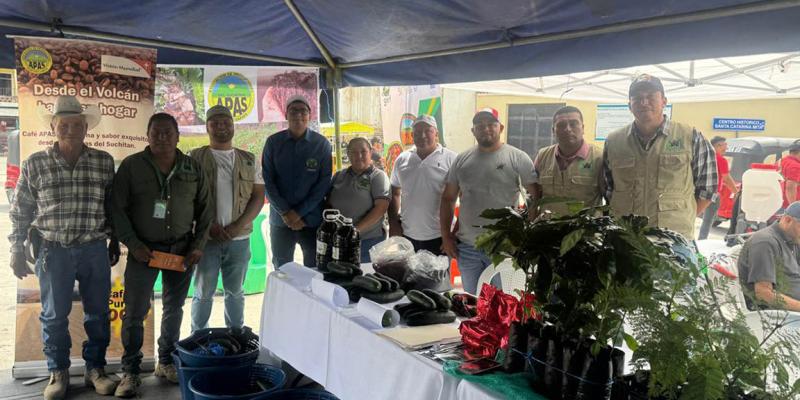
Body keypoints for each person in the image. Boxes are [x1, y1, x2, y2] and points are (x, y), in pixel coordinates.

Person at [8, 96, 119, 400]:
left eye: (76, 125)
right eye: (64, 124)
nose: (70, 130)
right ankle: (58, 372)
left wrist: (115, 240)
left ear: (86, 128)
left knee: (97, 313)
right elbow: (20, 210)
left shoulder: (103, 161)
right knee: (54, 315)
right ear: (54, 127)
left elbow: (112, 206)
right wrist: (16, 248)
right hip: (53, 250)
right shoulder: (36, 163)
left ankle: (96, 369)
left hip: (93, 247)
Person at [112, 113, 212, 397]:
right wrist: (133, 244)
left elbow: (206, 209)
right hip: (143, 252)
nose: (162, 137)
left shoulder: (192, 167)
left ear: (178, 136)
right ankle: (130, 371)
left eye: (168, 132)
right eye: (156, 132)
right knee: (134, 313)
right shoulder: (132, 167)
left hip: (181, 252)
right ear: (147, 135)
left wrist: (198, 245)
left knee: (173, 308)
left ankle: (166, 360)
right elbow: (117, 210)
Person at [602, 74, 717, 239]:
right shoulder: (614, 141)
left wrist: (682, 217)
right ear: (629, 105)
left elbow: (707, 190)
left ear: (664, 100)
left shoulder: (690, 136)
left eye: (650, 96)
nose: (644, 102)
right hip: (626, 237)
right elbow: (609, 190)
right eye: (637, 98)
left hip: (674, 239)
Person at [440, 108, 537, 294]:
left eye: (491, 124)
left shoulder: (517, 157)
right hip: (468, 247)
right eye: (480, 125)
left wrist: (525, 238)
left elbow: (534, 197)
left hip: (504, 248)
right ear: (473, 131)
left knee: (504, 304)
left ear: (500, 128)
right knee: (473, 303)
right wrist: (446, 237)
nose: (486, 129)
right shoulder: (461, 160)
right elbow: (448, 198)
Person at [189, 105, 265, 332]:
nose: (221, 127)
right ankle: (198, 337)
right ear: (207, 127)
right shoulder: (194, 158)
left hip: (239, 240)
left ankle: (236, 334)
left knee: (235, 292)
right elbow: (187, 197)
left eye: (226, 123)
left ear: (233, 126)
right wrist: (209, 226)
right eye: (216, 123)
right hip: (206, 240)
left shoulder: (248, 160)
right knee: (203, 293)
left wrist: (236, 226)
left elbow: (258, 197)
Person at [263, 95, 332, 268]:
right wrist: (286, 212)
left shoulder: (321, 144)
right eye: (293, 110)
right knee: (282, 269)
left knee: (315, 267)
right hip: (281, 220)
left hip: (311, 220)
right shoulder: (273, 143)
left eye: (303, 110)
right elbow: (267, 181)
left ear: (310, 115)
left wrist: (299, 212)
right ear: (286, 115)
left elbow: (323, 184)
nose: (298, 114)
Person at [388, 115, 456, 255]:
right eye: (417, 132)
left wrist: (453, 234)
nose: (422, 135)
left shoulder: (452, 159)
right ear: (412, 135)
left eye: (427, 131)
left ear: (436, 133)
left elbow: (465, 196)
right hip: (407, 235)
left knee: (439, 276)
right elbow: (394, 192)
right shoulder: (402, 159)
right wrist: (393, 223)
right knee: (408, 276)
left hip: (440, 236)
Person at [328, 137, 391, 262]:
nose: (359, 156)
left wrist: (354, 231)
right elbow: (327, 201)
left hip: (367, 241)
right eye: (354, 152)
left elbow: (381, 207)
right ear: (348, 154)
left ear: (370, 152)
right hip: (339, 239)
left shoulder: (378, 176)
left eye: (363, 151)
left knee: (363, 277)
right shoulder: (339, 175)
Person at [532, 106, 603, 216]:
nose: (568, 129)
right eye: (561, 125)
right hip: (547, 230)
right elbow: (534, 194)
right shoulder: (543, 156)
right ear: (553, 130)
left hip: (584, 231)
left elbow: (611, 199)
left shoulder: (599, 158)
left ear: (583, 128)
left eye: (573, 124)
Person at [737, 201, 800, 311]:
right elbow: (764, 293)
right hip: (778, 315)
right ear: (788, 220)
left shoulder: (792, 238)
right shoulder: (765, 243)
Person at [698, 136, 739, 240]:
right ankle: (702, 240)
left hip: (699, 191)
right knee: (708, 220)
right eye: (725, 145)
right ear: (718, 145)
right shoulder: (721, 160)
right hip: (713, 193)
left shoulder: (704, 157)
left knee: (695, 216)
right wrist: (736, 191)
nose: (726, 147)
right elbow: (726, 178)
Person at [781, 140, 800, 205]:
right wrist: (793, 208)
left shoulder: (783, 161)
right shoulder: (795, 166)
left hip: (780, 202)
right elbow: (790, 188)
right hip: (788, 206)